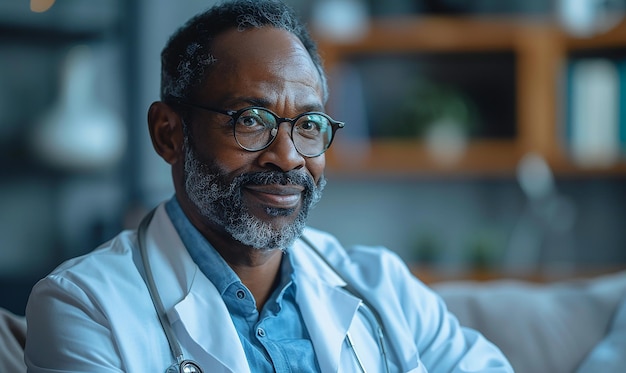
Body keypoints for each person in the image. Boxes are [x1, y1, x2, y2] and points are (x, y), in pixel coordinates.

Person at [25, 1, 513, 372]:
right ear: (169, 133)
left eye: (308, 124)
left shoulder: (382, 285)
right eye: (251, 120)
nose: (287, 156)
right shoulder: (83, 306)